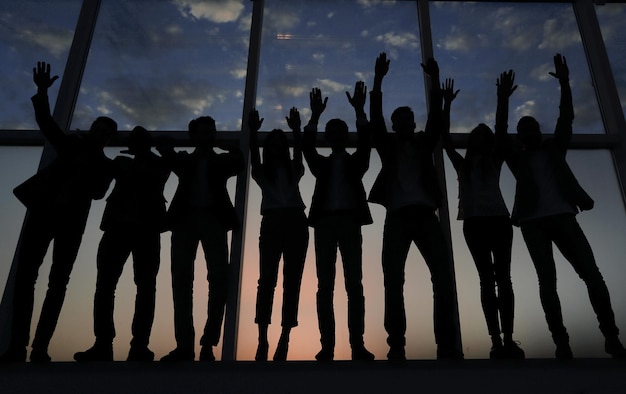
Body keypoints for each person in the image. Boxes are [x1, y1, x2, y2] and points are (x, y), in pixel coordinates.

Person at [497, 53, 626, 359]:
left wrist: (566, 84)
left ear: (538, 132)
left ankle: (610, 336)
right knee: (548, 282)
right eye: (523, 128)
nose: (527, 131)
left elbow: (566, 117)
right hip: (533, 222)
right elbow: (501, 134)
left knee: (591, 275)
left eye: (531, 126)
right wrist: (502, 99)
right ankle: (561, 341)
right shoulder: (518, 158)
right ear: (520, 136)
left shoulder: (554, 149)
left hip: (564, 218)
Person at [0, 62, 116, 363]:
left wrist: (86, 167)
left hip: (71, 224)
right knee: (27, 279)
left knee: (57, 283)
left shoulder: (104, 166)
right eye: (97, 129)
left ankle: (39, 348)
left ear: (108, 140)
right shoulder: (70, 146)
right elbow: (46, 122)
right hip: (45, 216)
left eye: (105, 133)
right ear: (91, 131)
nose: (99, 135)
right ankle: (17, 346)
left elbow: (98, 192)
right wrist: (41, 91)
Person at [368, 53, 462, 361]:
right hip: (397, 217)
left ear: (412, 123)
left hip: (424, 216)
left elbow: (435, 118)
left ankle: (446, 345)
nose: (406, 123)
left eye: (409, 119)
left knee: (443, 280)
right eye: (401, 120)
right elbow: (375, 119)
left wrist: (434, 80)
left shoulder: (424, 143)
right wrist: (378, 79)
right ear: (395, 125)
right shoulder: (389, 145)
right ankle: (396, 343)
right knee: (393, 280)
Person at [442, 74, 524, 359]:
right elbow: (445, 139)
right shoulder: (462, 165)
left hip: (498, 222)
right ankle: (496, 340)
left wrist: (503, 99)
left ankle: (509, 338)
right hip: (475, 224)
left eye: (483, 136)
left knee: (503, 279)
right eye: (477, 136)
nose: (480, 139)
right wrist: (446, 105)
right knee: (487, 281)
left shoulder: (493, 160)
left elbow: (501, 130)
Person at [74, 126, 170, 362]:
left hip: (143, 231)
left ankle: (135, 345)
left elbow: (153, 173)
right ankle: (106, 344)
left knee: (141, 288)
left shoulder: (156, 165)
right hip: (121, 229)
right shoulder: (124, 163)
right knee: (109, 287)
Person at [158, 116, 243, 362]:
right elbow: (165, 148)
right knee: (181, 282)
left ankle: (208, 341)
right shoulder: (184, 160)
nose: (209, 135)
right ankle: (185, 346)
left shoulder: (221, 161)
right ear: (194, 136)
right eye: (204, 132)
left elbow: (238, 162)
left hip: (213, 221)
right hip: (185, 222)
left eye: (212, 131)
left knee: (219, 280)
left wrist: (234, 147)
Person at [302, 83, 375, 361]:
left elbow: (366, 144)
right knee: (326, 286)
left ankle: (357, 344)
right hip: (325, 225)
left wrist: (360, 111)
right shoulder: (322, 165)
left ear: (346, 136)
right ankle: (328, 346)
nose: (335, 136)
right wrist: (314, 117)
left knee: (354, 284)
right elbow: (308, 149)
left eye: (339, 132)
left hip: (348, 224)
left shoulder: (356, 163)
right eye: (331, 133)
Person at [248, 108, 309, 361]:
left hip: (295, 220)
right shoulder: (262, 171)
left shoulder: (294, 168)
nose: (275, 147)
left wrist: (296, 131)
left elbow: (298, 154)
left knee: (291, 281)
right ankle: (263, 338)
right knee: (267, 281)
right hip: (272, 222)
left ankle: (284, 337)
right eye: (271, 143)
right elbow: (254, 157)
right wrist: (252, 132)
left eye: (279, 143)